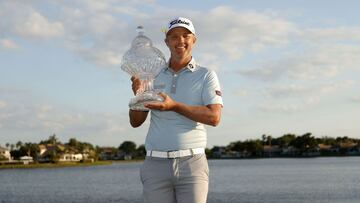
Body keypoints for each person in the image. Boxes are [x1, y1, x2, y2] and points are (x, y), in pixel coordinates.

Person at [129, 17, 223, 203]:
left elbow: (214, 117)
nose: (180, 41)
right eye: (174, 36)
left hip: (192, 163)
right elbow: (136, 121)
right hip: (155, 164)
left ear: (194, 40)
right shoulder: (152, 75)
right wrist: (139, 96)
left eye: (186, 36)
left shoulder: (206, 75)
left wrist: (175, 106)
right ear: (166, 42)